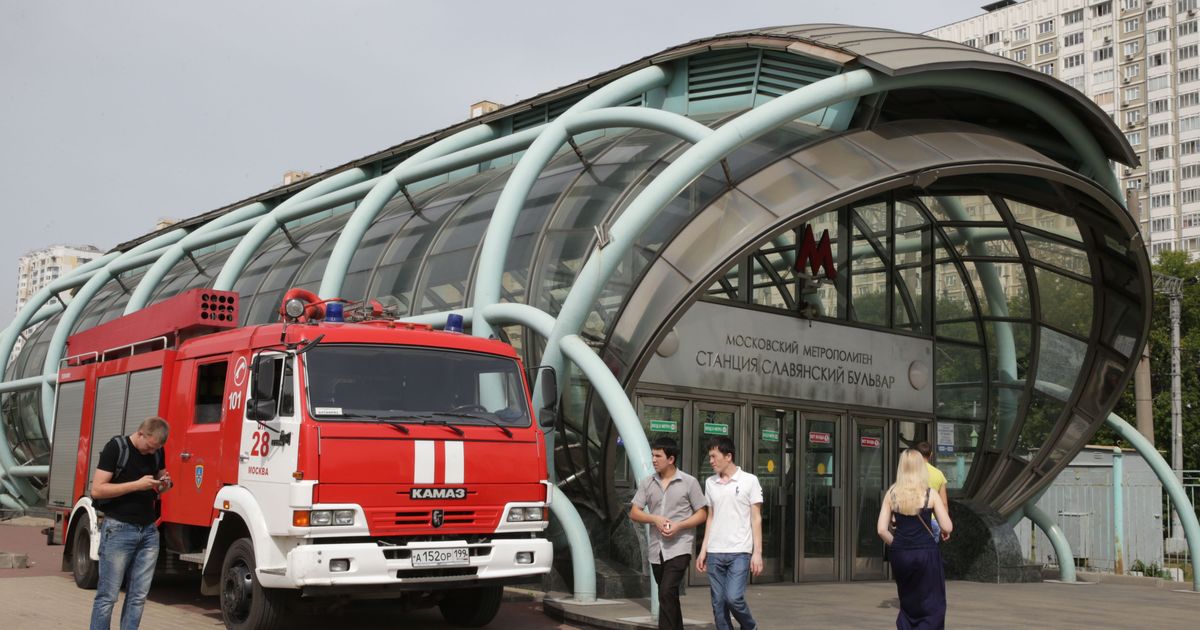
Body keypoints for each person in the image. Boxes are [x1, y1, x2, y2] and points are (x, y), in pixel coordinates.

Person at [89, 417, 172, 630]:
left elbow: (163, 480)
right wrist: (137, 485)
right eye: (150, 447)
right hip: (118, 529)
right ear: (142, 433)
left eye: (157, 449)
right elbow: (97, 489)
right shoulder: (116, 448)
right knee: (108, 596)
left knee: (138, 596)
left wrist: (165, 484)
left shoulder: (157, 452)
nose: (152, 452)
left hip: (148, 531)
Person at [629, 436, 708, 630]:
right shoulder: (648, 483)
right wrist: (654, 518)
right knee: (669, 595)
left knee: (666, 591)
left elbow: (702, 513)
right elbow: (634, 512)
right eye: (652, 455)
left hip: (679, 547)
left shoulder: (689, 482)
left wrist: (679, 526)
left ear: (671, 459)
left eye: (658, 456)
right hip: (657, 550)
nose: (653, 460)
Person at [877, 449, 953, 630]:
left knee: (908, 602)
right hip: (926, 553)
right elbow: (947, 526)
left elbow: (881, 529)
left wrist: (896, 544)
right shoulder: (930, 494)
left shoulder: (892, 493)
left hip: (901, 554)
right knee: (932, 603)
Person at [696, 436, 762, 630]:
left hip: (740, 551)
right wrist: (703, 549)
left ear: (728, 456)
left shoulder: (750, 481)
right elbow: (710, 517)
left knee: (733, 598)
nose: (711, 461)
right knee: (718, 604)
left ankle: (750, 626)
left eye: (714, 456)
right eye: (709, 457)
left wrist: (757, 552)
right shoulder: (710, 482)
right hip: (715, 551)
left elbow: (756, 518)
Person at [915, 441, 948, 538]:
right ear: (931, 454)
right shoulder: (939, 474)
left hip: (913, 518)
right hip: (933, 520)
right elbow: (944, 503)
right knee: (931, 550)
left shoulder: (911, 473)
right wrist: (944, 526)